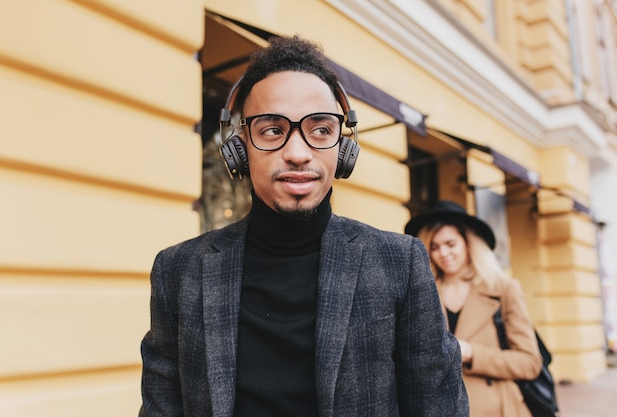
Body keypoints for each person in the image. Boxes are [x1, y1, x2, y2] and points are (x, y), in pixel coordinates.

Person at [139, 35, 468, 417]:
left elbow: (439, 407)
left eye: (321, 129)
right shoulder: (177, 271)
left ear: (343, 148)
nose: (298, 153)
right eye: (272, 130)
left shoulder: (400, 262)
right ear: (239, 146)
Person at [405, 200, 542, 417]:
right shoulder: (422, 293)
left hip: (499, 408)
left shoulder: (503, 289)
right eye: (434, 247)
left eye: (451, 244)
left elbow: (530, 363)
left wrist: (471, 353)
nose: (443, 253)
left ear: (468, 244)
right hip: (443, 408)